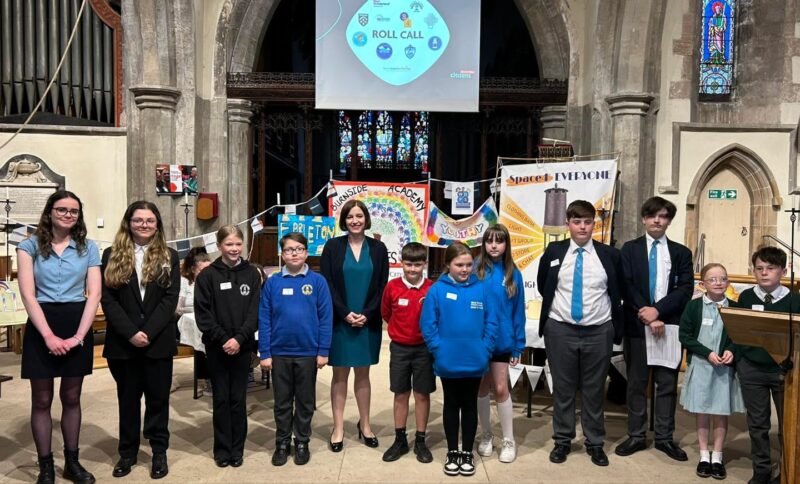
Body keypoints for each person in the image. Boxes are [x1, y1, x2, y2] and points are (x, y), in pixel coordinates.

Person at [18, 190, 101, 484]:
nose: (68, 215)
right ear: (50, 212)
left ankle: (72, 463)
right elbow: (28, 294)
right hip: (43, 321)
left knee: (71, 396)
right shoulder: (28, 246)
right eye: (63, 209)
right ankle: (46, 466)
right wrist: (49, 336)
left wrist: (80, 335)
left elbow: (94, 295)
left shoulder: (87, 247)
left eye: (74, 211)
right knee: (41, 399)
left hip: (76, 320)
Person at [536, 200, 623, 467]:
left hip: (598, 331)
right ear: (568, 224)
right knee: (563, 388)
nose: (582, 227)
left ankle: (595, 442)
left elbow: (617, 290)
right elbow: (544, 285)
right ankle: (562, 440)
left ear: (594, 225)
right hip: (560, 329)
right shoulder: (554, 251)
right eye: (577, 222)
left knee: (594, 389)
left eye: (587, 222)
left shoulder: (609, 255)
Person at [101, 201, 180, 480]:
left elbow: (170, 299)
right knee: (128, 401)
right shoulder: (111, 254)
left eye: (149, 220)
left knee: (158, 401)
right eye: (138, 220)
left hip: (158, 341)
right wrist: (131, 332)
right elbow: (108, 299)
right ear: (128, 222)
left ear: (157, 224)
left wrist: (148, 330)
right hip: (124, 344)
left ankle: (159, 451)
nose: (144, 225)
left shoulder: (170, 255)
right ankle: (128, 453)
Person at [616, 197, 693, 461]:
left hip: (669, 326)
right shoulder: (629, 249)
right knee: (636, 383)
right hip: (637, 325)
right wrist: (647, 314)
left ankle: (664, 438)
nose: (657, 221)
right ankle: (636, 435)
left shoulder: (681, 252)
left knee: (667, 384)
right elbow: (625, 285)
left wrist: (658, 311)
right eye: (652, 216)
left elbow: (685, 289)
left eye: (662, 216)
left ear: (669, 220)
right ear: (643, 219)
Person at [420, 242, 497, 476]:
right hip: (448, 359)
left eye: (468, 265)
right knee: (452, 404)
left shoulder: (482, 288)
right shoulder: (437, 290)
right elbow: (428, 324)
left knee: (470, 405)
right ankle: (453, 450)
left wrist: (485, 349)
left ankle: (467, 452)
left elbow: (491, 322)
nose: (464, 269)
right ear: (448, 265)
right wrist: (438, 349)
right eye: (459, 265)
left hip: (475, 359)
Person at [320, 199, 389, 451]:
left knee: (363, 374)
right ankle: (338, 428)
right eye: (350, 216)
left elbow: (383, 286)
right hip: (340, 321)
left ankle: (366, 425)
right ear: (344, 220)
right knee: (339, 375)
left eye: (359, 216)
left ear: (366, 218)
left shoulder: (379, 248)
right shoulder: (332, 247)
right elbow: (327, 284)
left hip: (367, 322)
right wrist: (345, 313)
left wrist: (368, 314)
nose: (355, 221)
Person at [259, 232, 333, 467]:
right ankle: (282, 442)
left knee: (305, 401)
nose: (294, 253)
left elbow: (325, 317)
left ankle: (302, 441)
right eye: (289, 249)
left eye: (299, 249)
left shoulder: (318, 282)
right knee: (281, 401)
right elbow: (264, 319)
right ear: (282, 253)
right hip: (279, 353)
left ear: (306, 252)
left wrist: (323, 350)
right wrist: (265, 352)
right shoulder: (273, 282)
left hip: (308, 353)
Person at [194, 225, 261, 468]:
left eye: (237, 244)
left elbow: (255, 311)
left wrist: (240, 338)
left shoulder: (252, 274)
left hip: (242, 347)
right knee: (221, 398)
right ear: (220, 246)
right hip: (217, 347)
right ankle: (222, 449)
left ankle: (237, 449)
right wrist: (224, 339)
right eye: (229, 244)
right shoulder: (207, 276)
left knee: (238, 398)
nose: (234, 249)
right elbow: (203, 314)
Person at [733, 246, 800, 484]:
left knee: (787, 426)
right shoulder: (747, 297)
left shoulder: (794, 300)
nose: (764, 273)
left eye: (770, 268)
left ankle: (786, 470)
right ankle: (761, 470)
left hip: (786, 370)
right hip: (752, 368)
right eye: (759, 268)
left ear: (783, 270)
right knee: (758, 424)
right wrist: (741, 358)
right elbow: (738, 331)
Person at [679, 263, 744, 480]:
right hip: (702, 365)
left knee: (720, 411)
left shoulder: (735, 307)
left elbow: (739, 336)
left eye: (722, 279)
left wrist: (731, 350)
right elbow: (685, 335)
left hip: (724, 369)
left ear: (728, 282)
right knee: (703, 411)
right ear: (702, 284)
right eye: (713, 279)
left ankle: (717, 455)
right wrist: (707, 353)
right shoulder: (694, 307)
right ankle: (704, 454)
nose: (718, 283)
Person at [474, 224, 525, 463]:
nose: (494, 245)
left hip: (502, 342)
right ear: (484, 244)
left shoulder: (514, 274)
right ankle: (486, 435)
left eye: (499, 241)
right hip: (477, 341)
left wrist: (518, 345)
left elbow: (518, 313)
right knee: (481, 388)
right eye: (489, 241)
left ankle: (509, 439)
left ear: (506, 244)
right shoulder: (475, 269)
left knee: (502, 388)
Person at [380, 242, 435, 464]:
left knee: (422, 394)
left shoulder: (432, 288)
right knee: (400, 393)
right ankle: (400, 439)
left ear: (425, 264)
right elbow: (385, 313)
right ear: (401, 263)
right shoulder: (392, 287)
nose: (412, 269)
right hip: (400, 349)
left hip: (424, 349)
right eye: (408, 264)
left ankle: (420, 440)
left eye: (417, 265)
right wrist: (399, 332)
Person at [175, 247, 212, 396]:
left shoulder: (211, 281)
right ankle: (207, 378)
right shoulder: (185, 282)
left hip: (207, 317)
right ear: (193, 270)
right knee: (204, 337)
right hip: (185, 320)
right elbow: (178, 308)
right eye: (202, 270)